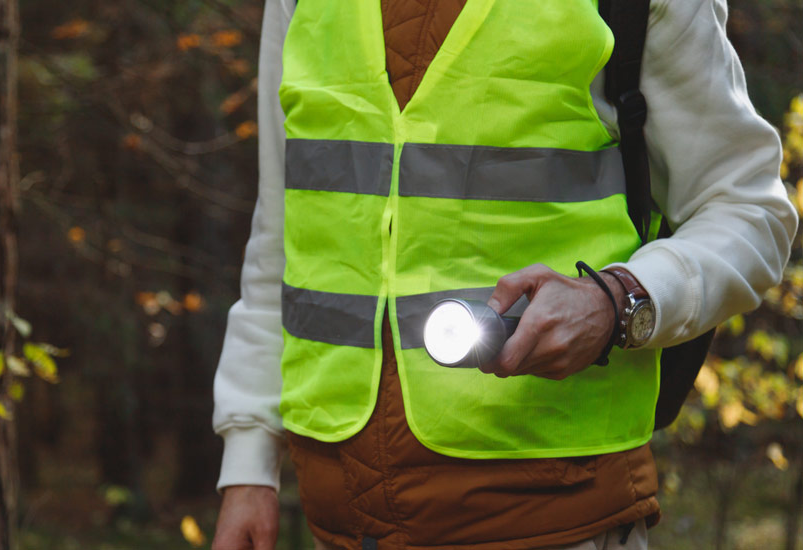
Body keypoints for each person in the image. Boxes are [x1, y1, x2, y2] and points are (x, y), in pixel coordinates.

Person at [211, 0, 799, 548]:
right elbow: (284, 229)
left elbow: (749, 208)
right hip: (338, 521)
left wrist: (615, 301)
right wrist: (248, 462)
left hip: (557, 514)